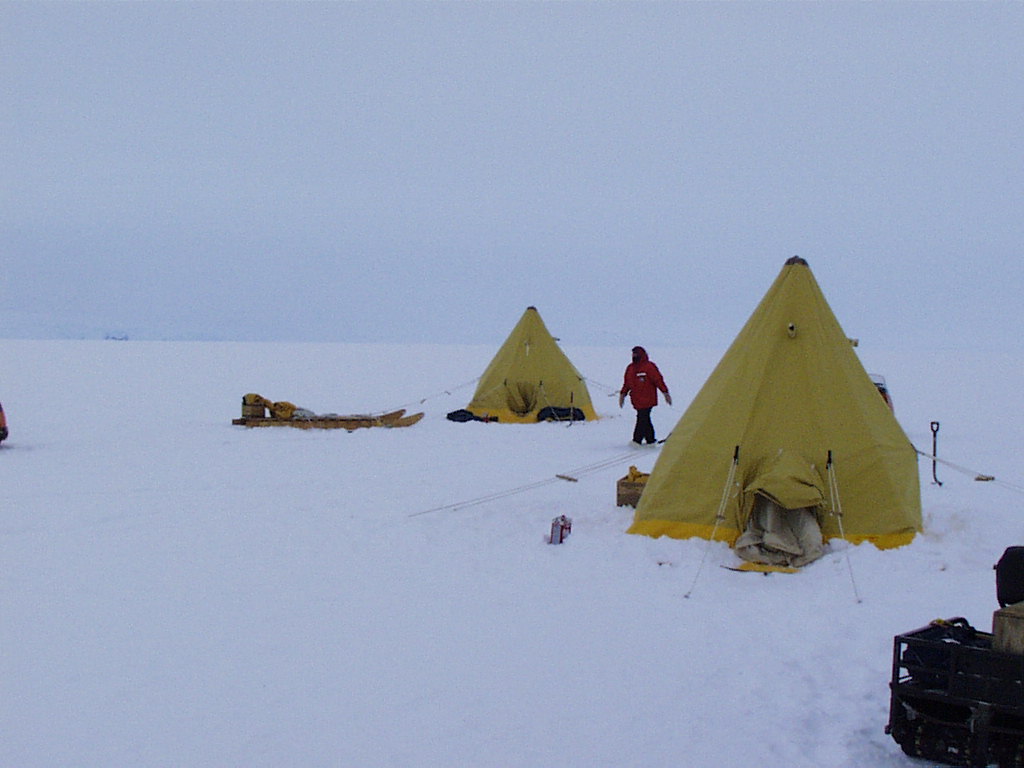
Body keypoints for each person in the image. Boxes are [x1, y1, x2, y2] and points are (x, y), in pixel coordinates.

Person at [619, 346, 671, 445]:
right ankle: (650, 439)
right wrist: (623, 394)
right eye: (633, 354)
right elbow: (627, 383)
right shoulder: (630, 368)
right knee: (645, 418)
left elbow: (658, 380)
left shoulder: (649, 367)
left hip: (648, 399)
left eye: (636, 354)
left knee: (642, 418)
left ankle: (637, 440)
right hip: (636, 399)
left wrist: (665, 392)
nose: (634, 356)